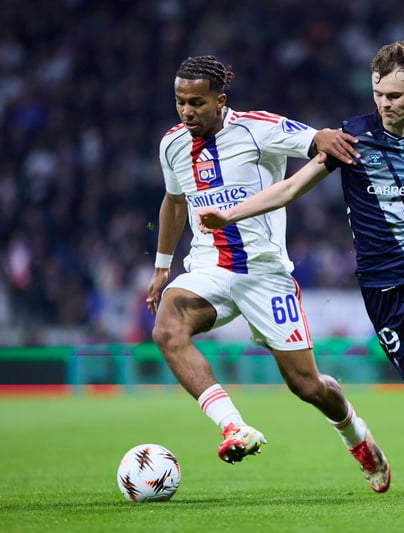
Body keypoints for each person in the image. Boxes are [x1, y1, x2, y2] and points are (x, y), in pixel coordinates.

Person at [196, 41, 404, 499]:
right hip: (384, 291)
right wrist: (230, 215)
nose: (384, 104)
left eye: (394, 96)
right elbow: (291, 188)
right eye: (378, 94)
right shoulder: (351, 138)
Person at [146, 55, 390, 493]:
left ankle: (357, 436)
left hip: (265, 275)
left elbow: (319, 140)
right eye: (180, 101)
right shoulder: (172, 145)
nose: (186, 111)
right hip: (209, 268)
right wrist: (162, 267)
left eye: (197, 103)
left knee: (307, 385)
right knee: (167, 328)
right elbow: (175, 202)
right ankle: (234, 426)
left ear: (220, 101)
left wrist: (334, 138)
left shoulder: (258, 129)